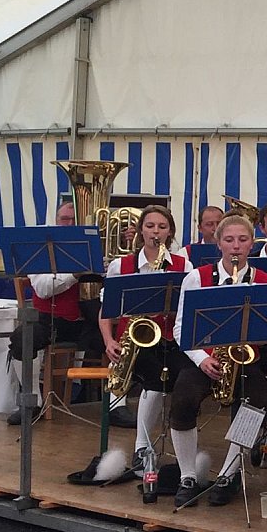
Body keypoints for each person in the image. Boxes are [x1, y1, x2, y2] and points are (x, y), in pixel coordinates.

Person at [166, 213, 267, 507]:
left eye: (242, 240)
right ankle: (187, 475)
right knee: (183, 399)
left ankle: (229, 472)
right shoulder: (196, 278)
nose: (236, 246)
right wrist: (202, 359)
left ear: (251, 244)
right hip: (205, 357)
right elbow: (180, 328)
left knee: (258, 401)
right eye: (229, 240)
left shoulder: (264, 281)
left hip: (244, 359)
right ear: (219, 244)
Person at [98, 203, 189, 478]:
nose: (155, 232)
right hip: (133, 342)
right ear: (140, 231)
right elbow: (106, 310)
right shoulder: (121, 266)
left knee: (182, 375)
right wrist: (109, 341)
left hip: (169, 338)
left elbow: (187, 309)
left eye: (162, 227)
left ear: (170, 232)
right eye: (150, 226)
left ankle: (178, 445)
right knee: (154, 373)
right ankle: (142, 446)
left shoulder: (183, 266)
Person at [4, 198, 105, 425]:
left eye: (74, 220)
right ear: (56, 221)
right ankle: (32, 402)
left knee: (123, 340)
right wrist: (76, 274)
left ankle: (118, 405)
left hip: (88, 320)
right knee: (23, 337)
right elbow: (42, 289)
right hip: (51, 320)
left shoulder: (95, 245)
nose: (69, 224)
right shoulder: (40, 248)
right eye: (64, 219)